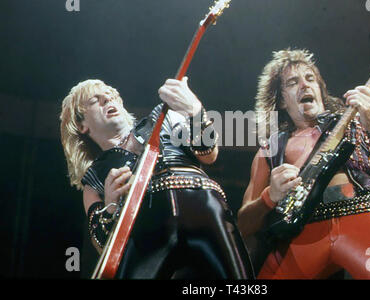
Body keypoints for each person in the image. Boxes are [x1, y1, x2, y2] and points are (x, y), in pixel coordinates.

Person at [237, 48, 370, 279]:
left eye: (310, 79)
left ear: (320, 90)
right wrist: (269, 196)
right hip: (302, 232)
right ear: (281, 101)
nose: (305, 85)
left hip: (362, 215)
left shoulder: (356, 124)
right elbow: (243, 226)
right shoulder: (270, 149)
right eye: (293, 82)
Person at [60, 77, 253, 279]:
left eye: (111, 95)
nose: (107, 99)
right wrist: (111, 206)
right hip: (147, 229)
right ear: (81, 125)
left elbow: (208, 154)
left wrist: (196, 111)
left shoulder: (163, 117)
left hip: (202, 205)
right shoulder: (93, 180)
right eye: (95, 100)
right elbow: (103, 248)